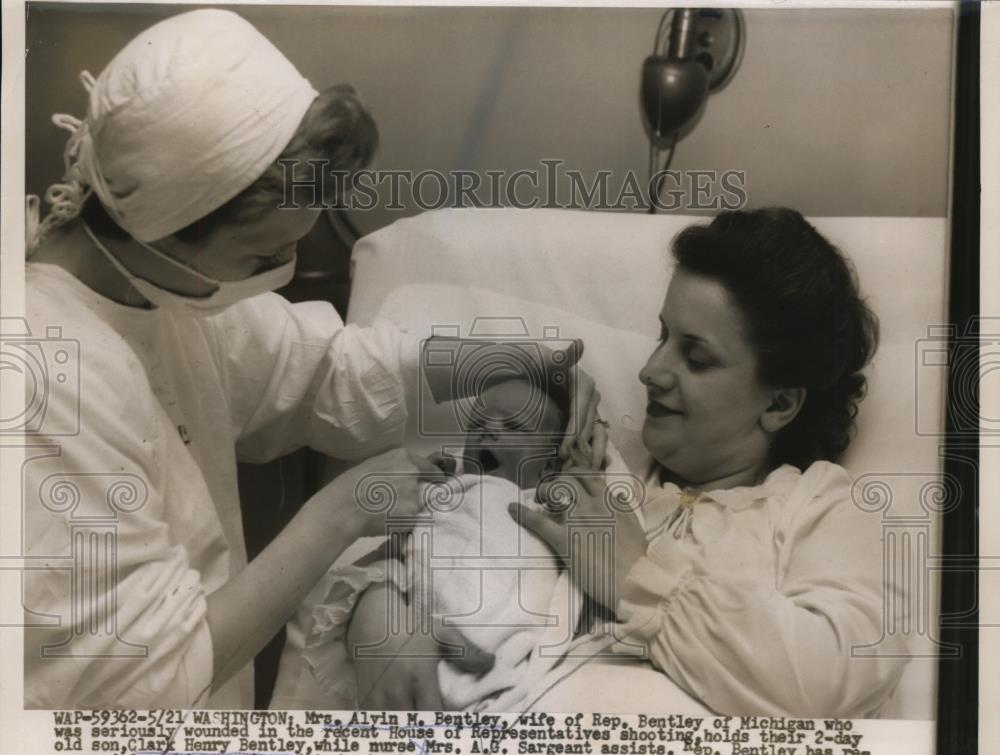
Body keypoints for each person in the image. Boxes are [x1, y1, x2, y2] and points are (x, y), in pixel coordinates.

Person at [21, 9, 602, 710]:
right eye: (262, 258)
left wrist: (514, 364)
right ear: (161, 232)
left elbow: (327, 374)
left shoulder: (163, 294)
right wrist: (344, 512)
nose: (284, 270)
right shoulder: (42, 383)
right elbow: (134, 685)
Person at [511, 208, 909, 717]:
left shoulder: (822, 508)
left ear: (780, 403)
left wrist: (637, 577)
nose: (649, 370)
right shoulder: (599, 462)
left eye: (696, 359)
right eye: (662, 338)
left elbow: (834, 682)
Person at [303, 376, 628, 711]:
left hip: (505, 660)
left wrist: (579, 465)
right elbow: (397, 550)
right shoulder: (448, 491)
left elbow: (604, 497)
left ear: (548, 463)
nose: (488, 429)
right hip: (421, 638)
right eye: (477, 423)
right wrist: (433, 480)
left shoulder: (546, 504)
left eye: (514, 426)